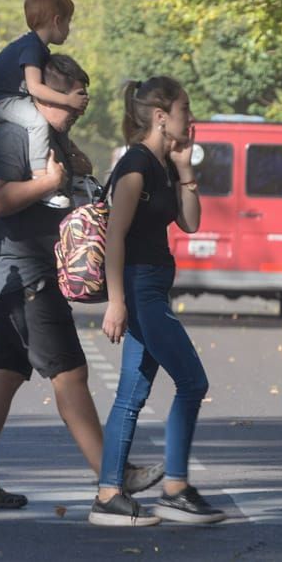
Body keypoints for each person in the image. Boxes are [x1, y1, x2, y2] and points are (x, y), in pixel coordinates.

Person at [0, 54, 162, 511]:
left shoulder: (54, 140)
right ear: (46, 93)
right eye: (74, 95)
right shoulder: (10, 137)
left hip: (26, 272)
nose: (82, 103)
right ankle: (112, 482)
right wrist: (48, 182)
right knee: (71, 372)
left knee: (5, 374)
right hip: (23, 273)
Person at [90, 77, 226, 527]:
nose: (193, 117)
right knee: (192, 381)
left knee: (131, 395)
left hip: (151, 287)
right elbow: (115, 237)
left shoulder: (164, 165)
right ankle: (176, 488)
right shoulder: (135, 165)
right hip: (139, 289)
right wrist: (116, 302)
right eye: (186, 109)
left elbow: (189, 222)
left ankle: (110, 493)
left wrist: (186, 170)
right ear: (161, 116)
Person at [0, 0, 89, 208]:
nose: (69, 29)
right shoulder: (32, 47)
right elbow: (35, 88)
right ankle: (42, 179)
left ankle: (66, 165)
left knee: (48, 125)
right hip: (2, 100)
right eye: (68, 22)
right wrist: (68, 100)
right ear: (57, 20)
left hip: (14, 96)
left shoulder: (38, 48)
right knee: (38, 122)